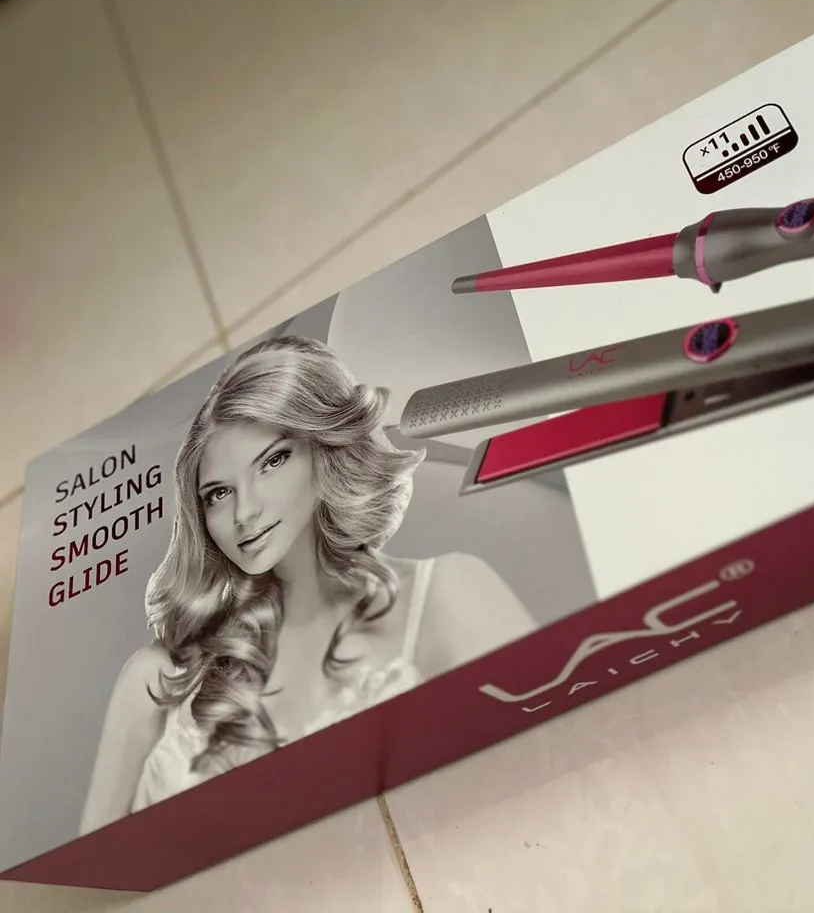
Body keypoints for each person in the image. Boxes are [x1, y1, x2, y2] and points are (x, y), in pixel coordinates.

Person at [79, 335, 535, 834]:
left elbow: (540, 770)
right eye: (218, 493)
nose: (244, 512)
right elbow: (90, 867)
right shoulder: (156, 682)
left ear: (326, 447)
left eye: (272, 462)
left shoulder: (447, 596)